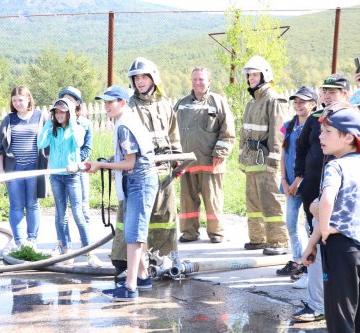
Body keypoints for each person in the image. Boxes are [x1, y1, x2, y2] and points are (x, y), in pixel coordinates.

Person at [301, 102, 360, 333]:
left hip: (341, 250)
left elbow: (327, 201)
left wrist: (323, 232)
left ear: (349, 138)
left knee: (341, 318)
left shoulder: (336, 167)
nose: (321, 136)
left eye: (328, 132)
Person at [110, 57, 182, 283]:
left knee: (164, 217)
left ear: (153, 78)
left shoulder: (165, 104)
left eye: (144, 77)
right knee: (132, 219)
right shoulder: (128, 106)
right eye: (136, 78)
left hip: (164, 171)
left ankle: (163, 260)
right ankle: (127, 265)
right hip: (138, 172)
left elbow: (173, 134)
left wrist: (177, 157)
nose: (139, 82)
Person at [89, 85, 158, 301]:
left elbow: (130, 163)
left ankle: (130, 288)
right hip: (139, 180)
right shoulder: (127, 120)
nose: (106, 105)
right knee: (136, 231)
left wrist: (101, 166)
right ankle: (143, 276)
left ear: (122, 102)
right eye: (105, 101)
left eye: (111, 101)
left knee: (133, 234)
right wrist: (109, 162)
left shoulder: (124, 126)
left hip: (139, 181)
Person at [292, 74, 350, 322]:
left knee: (336, 249)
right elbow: (302, 148)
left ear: (345, 94)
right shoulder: (316, 118)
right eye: (324, 90)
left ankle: (332, 304)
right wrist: (299, 178)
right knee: (314, 244)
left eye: (333, 91)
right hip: (313, 192)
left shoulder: (350, 118)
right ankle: (318, 303)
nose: (327, 95)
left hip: (339, 196)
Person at [37, 97, 101, 267]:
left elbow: (79, 142)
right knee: (61, 214)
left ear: (69, 113)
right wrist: (47, 124)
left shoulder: (77, 128)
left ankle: (89, 252)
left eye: (62, 112)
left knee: (78, 214)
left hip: (73, 176)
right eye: (56, 112)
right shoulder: (53, 129)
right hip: (56, 175)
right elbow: (41, 143)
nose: (59, 115)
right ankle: (66, 250)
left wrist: (72, 121)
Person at [174, 67, 235, 243]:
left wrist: (221, 152)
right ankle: (189, 232)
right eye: (194, 79)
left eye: (201, 79)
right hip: (186, 164)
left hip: (211, 163)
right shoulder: (182, 104)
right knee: (187, 201)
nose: (197, 83)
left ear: (209, 81)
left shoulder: (218, 102)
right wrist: (175, 157)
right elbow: (172, 132)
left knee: (213, 201)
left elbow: (228, 131)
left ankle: (216, 233)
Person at [239, 55, 289, 255]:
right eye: (249, 75)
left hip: (266, 161)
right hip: (252, 160)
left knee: (271, 202)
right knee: (253, 203)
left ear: (265, 75)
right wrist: (242, 156)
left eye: (254, 74)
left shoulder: (274, 100)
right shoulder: (252, 103)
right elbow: (244, 132)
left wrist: (274, 163)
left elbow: (278, 134)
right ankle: (257, 238)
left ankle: (278, 241)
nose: (251, 78)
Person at [0, 86, 48, 248]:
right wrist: (1, 170)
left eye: (21, 100)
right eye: (14, 100)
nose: (17, 103)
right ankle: (19, 241)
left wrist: (48, 171)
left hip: (35, 169)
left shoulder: (40, 117)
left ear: (29, 99)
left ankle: (32, 240)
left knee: (32, 204)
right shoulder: (8, 119)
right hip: (14, 170)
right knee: (16, 205)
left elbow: (50, 145)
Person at [276, 87, 317, 286]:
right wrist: (284, 181)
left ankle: (311, 263)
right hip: (290, 184)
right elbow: (284, 154)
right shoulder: (288, 126)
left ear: (313, 104)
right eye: (296, 101)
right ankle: (297, 260)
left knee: (310, 226)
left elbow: (311, 157)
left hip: (306, 184)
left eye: (303, 101)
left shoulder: (315, 126)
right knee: (291, 224)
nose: (298, 105)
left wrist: (298, 181)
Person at [58, 86, 93, 226]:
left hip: (79, 168)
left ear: (78, 103)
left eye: (71, 99)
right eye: (65, 99)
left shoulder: (85, 123)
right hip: (60, 169)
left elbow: (87, 148)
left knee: (82, 204)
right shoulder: (57, 121)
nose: (67, 102)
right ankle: (63, 242)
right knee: (61, 206)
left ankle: (87, 240)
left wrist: (76, 162)